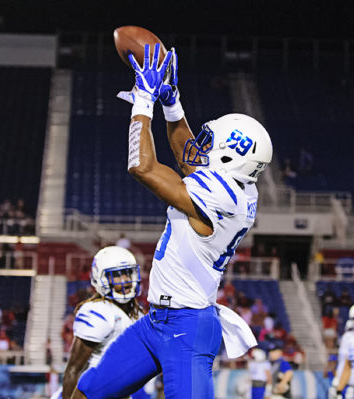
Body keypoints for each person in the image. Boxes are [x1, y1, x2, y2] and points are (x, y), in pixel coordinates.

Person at [72, 44, 272, 399]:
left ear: (229, 156)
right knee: (87, 393)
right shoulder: (237, 187)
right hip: (156, 321)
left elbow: (142, 167)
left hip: (187, 327)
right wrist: (172, 102)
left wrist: (144, 101)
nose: (202, 147)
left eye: (213, 144)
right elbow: (186, 155)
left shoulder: (220, 196)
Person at [50, 246, 144, 399]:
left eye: (127, 273)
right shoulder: (99, 311)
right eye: (117, 275)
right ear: (101, 279)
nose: (125, 281)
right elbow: (74, 369)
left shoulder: (137, 314)